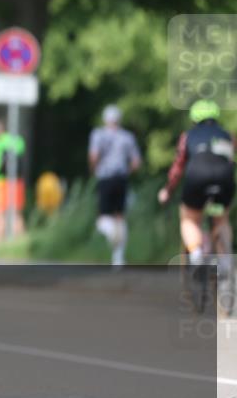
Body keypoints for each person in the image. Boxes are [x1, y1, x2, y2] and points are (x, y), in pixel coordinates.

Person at [158, 100, 234, 274]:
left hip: (197, 179)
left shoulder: (188, 136)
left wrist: (168, 190)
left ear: (194, 119)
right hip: (224, 181)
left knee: (189, 219)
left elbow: (178, 166)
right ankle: (225, 261)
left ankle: (197, 255)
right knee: (222, 219)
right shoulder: (227, 136)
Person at [88, 104, 142, 266]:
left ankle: (112, 237)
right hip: (121, 179)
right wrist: (126, 171)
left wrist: (93, 170)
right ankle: (118, 258)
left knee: (103, 218)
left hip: (105, 177)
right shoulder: (127, 137)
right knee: (120, 217)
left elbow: (94, 156)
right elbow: (136, 162)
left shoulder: (98, 135)